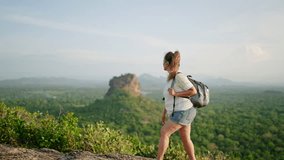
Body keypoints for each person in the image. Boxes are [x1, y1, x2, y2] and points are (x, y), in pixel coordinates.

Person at [157, 51, 197, 160]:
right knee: (185, 139)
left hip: (183, 111)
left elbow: (193, 91)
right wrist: (164, 114)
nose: (163, 64)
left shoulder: (179, 77)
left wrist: (176, 93)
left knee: (164, 132)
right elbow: (169, 99)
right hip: (183, 112)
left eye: (164, 61)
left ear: (169, 63)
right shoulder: (171, 78)